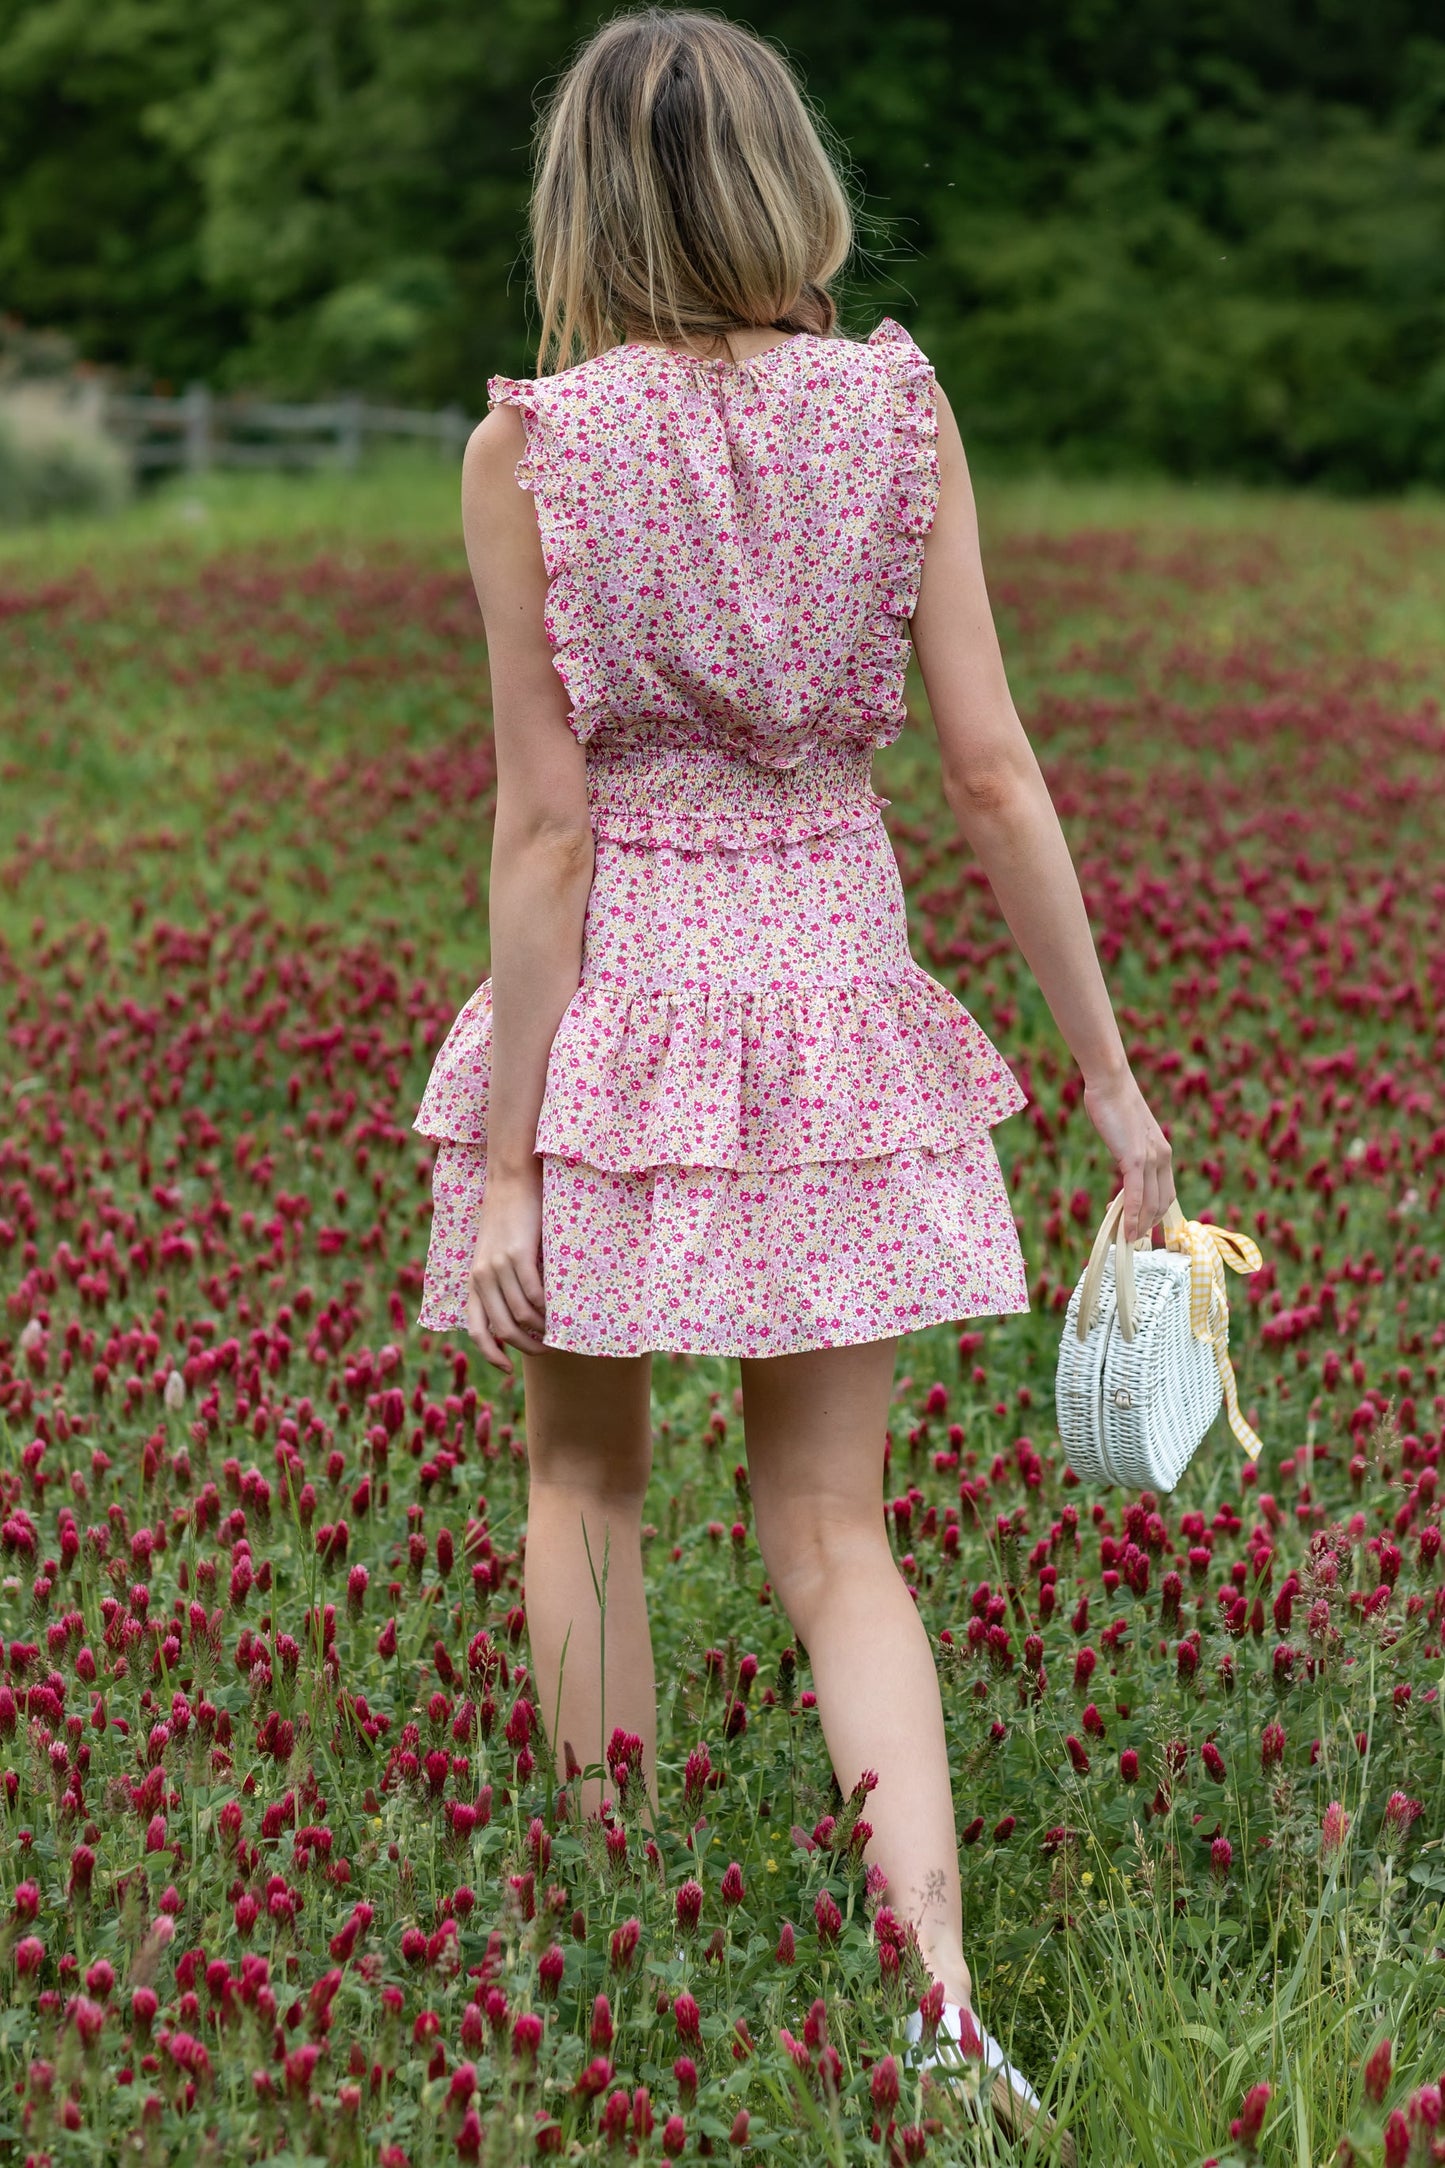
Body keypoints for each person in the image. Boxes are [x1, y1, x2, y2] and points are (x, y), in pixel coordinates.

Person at [414, 7, 1172, 2155]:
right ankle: (939, 2002)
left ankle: (620, 1951)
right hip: (833, 986)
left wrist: (509, 1171)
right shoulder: (896, 408)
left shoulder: (533, 445)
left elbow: (544, 827)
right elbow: (997, 771)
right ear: (785, 179)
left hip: (628, 1013)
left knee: (586, 1493)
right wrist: (1105, 1083)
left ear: (585, 201)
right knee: (840, 1528)